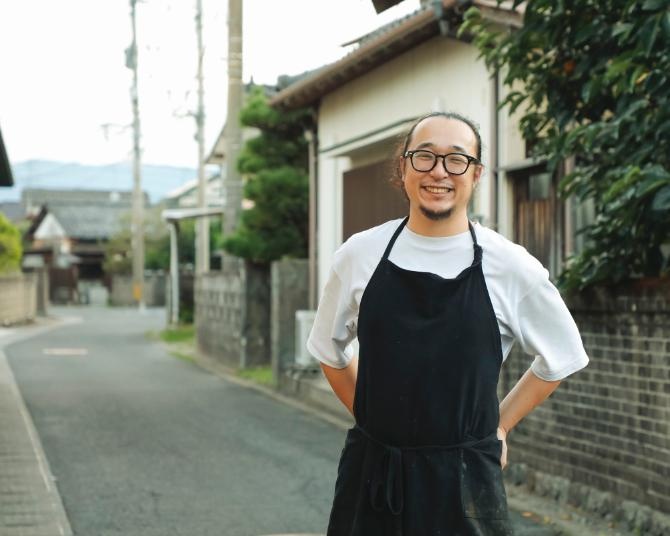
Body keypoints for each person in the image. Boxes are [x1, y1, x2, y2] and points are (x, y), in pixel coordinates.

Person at [307, 111, 590, 535]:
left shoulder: (510, 265)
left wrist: (498, 426)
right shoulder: (359, 255)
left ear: (475, 175)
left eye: (456, 160)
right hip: (372, 474)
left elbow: (562, 357)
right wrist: (376, 421)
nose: (438, 171)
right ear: (403, 167)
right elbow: (329, 351)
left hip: (465, 481)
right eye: (425, 156)